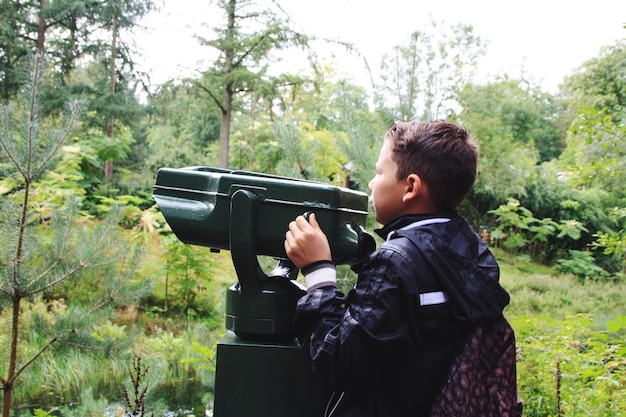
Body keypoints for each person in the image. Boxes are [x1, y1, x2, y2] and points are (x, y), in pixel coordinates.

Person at [284, 120, 513, 417]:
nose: (371, 182)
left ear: (411, 187)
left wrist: (318, 271)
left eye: (380, 172)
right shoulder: (473, 253)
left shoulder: (396, 263)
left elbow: (339, 362)